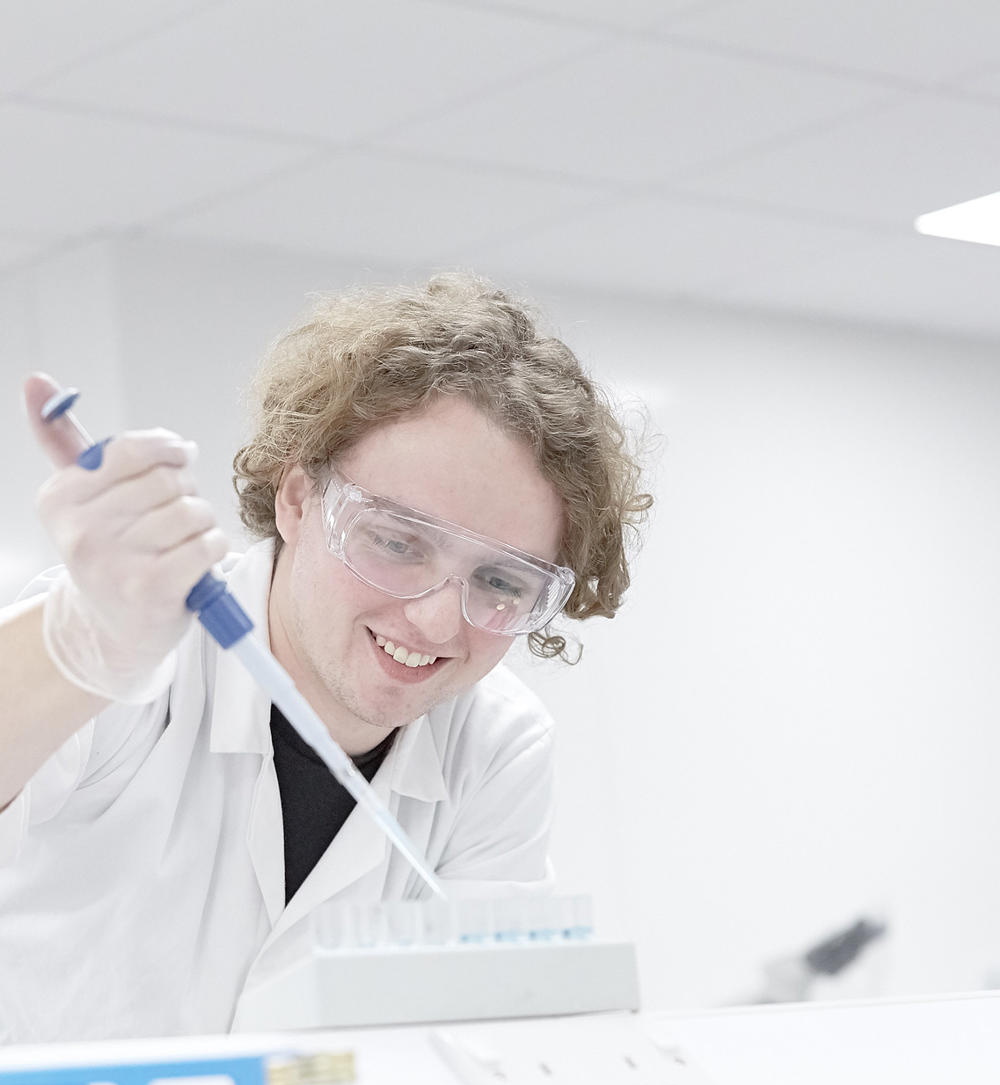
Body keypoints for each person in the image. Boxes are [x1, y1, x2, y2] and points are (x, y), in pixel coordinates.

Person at [0, 273, 651, 1043]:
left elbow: (492, 1028)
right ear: (297, 500)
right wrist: (84, 646)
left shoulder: (496, 743)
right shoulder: (126, 646)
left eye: (503, 581)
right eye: (398, 542)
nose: (437, 619)